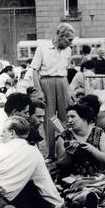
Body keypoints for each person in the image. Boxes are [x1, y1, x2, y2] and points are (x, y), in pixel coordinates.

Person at [55, 103, 105, 208]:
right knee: (81, 189)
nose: (69, 120)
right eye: (68, 117)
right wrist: (70, 153)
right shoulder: (64, 136)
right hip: (74, 177)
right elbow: (60, 165)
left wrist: (92, 149)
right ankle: (90, 198)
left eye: (73, 116)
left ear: (84, 118)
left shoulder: (98, 133)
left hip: (97, 176)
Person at [30, 23, 75, 163]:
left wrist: (68, 91)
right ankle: (50, 154)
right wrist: (39, 91)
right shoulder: (43, 47)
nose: (71, 43)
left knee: (65, 118)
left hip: (62, 82)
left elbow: (65, 73)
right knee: (49, 119)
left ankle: (67, 149)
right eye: (69, 39)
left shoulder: (68, 50)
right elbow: (35, 70)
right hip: (46, 82)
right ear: (60, 37)